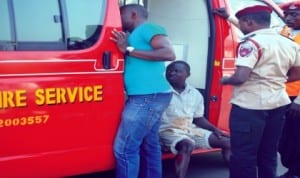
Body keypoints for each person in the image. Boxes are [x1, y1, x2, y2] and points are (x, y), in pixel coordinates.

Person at [214, 3, 300, 178]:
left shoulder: (250, 43)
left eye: (243, 23)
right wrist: (277, 80)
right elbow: (298, 72)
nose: (288, 18)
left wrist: (226, 80)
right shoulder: (287, 41)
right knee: (268, 154)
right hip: (278, 103)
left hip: (250, 106)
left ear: (249, 22)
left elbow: (240, 77)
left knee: (243, 155)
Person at [110, 4, 175, 178]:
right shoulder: (133, 34)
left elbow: (169, 53)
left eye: (120, 14)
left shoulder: (148, 28)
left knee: (124, 149)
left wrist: (128, 50)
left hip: (148, 98)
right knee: (149, 144)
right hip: (150, 96)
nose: (118, 19)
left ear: (133, 14)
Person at [159, 60, 231, 178]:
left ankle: (238, 172)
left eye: (177, 71)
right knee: (187, 145)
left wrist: (215, 129)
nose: (172, 73)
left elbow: (198, 119)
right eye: (169, 71)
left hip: (190, 129)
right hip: (167, 131)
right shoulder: (160, 92)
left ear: (187, 74)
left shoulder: (195, 94)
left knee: (228, 142)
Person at [278, 3, 300, 178]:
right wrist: (229, 18)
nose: (288, 18)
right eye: (286, 14)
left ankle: (295, 171)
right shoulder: (284, 31)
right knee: (283, 138)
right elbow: (255, 31)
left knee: (295, 138)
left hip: (296, 98)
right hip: (281, 94)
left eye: (294, 14)